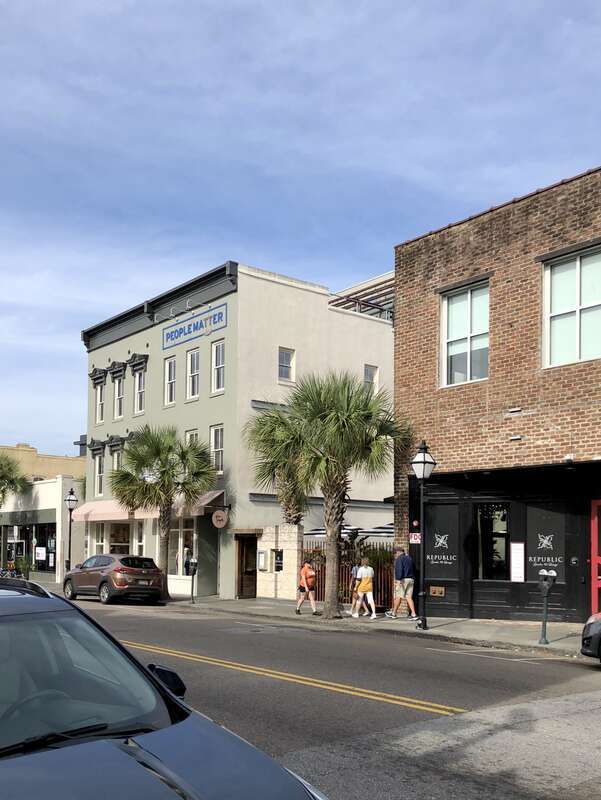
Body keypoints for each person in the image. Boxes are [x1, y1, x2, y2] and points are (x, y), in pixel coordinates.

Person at [386, 547, 418, 620]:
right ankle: (414, 614)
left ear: (398, 552)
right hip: (411, 579)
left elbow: (399, 569)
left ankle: (393, 613)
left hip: (403, 580)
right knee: (409, 597)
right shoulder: (409, 558)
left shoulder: (399, 559)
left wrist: (399, 579)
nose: (395, 555)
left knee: (398, 596)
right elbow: (413, 569)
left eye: (395, 553)